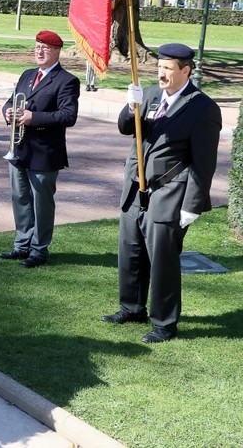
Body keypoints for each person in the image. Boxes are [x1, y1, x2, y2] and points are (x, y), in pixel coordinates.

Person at [102, 43, 221, 344]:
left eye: (168, 69)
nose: (161, 74)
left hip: (169, 193)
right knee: (130, 251)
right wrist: (131, 108)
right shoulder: (152, 96)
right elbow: (126, 128)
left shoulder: (202, 107)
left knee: (163, 260)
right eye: (159, 68)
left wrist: (191, 205)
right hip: (136, 188)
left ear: (186, 71)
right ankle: (131, 308)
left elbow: (203, 162)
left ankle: (164, 322)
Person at [0, 30, 79, 268]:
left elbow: (68, 115)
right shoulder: (27, 74)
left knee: (41, 203)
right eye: (36, 47)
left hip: (45, 152)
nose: (39, 52)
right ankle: (21, 245)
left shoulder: (67, 80)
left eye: (44, 48)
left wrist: (35, 118)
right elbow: (11, 100)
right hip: (20, 147)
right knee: (20, 198)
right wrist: (8, 112)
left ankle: (39, 249)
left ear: (56, 52)